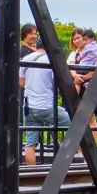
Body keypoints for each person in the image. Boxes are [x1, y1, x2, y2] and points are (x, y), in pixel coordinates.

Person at [18, 24, 61, 165]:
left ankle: (31, 173)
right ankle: (85, 166)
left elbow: (21, 83)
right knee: (77, 129)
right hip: (46, 106)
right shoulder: (52, 61)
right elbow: (59, 84)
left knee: (30, 143)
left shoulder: (26, 59)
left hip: (29, 107)